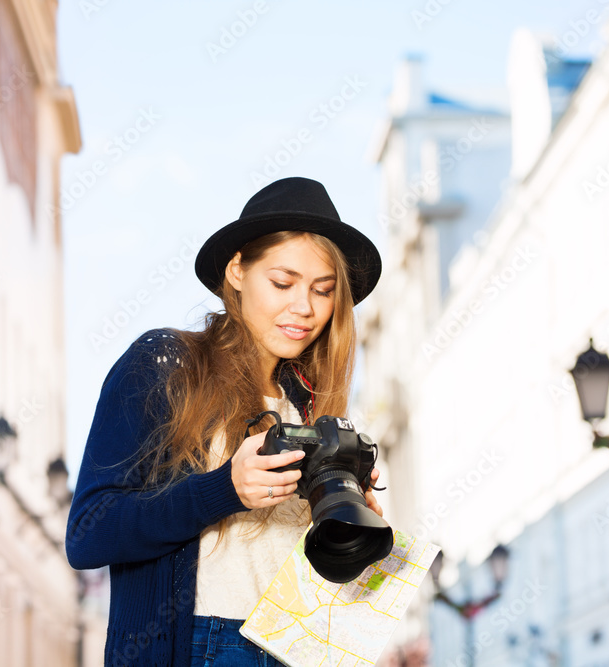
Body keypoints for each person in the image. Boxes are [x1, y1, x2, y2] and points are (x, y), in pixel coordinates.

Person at [66, 177, 385, 666]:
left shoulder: (312, 408)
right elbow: (89, 533)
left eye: (323, 291)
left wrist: (347, 525)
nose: (304, 308)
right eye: (283, 283)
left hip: (299, 647)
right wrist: (224, 490)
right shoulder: (164, 367)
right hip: (200, 645)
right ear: (237, 269)